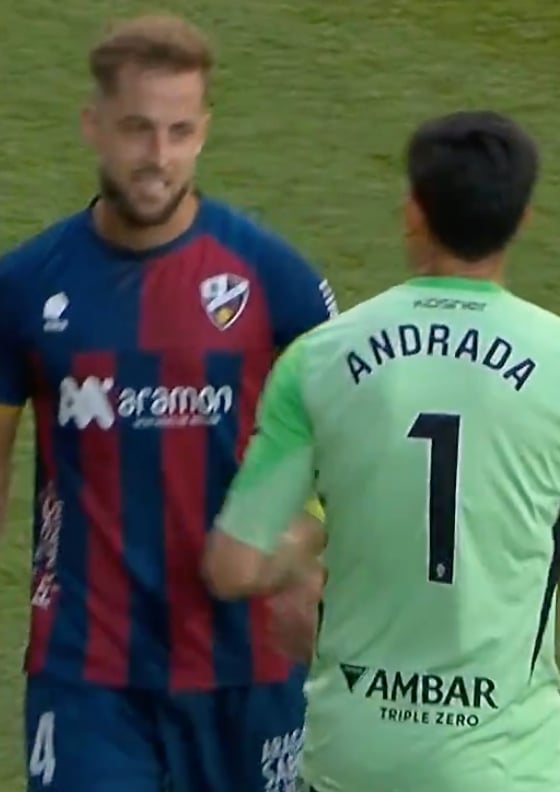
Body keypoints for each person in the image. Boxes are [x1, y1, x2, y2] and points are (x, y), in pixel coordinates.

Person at [203, 110, 560, 791]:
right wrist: (556, 565)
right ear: (523, 219)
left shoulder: (319, 360)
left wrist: (326, 533)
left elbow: (234, 568)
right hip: (510, 772)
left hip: (355, 764)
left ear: (413, 212)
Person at [0, 14, 335, 792]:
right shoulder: (25, 286)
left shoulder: (274, 279)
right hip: (88, 675)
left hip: (250, 664)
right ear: (93, 125)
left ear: (204, 130)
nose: (158, 156)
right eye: (137, 129)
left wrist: (311, 549)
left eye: (180, 132)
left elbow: (360, 441)